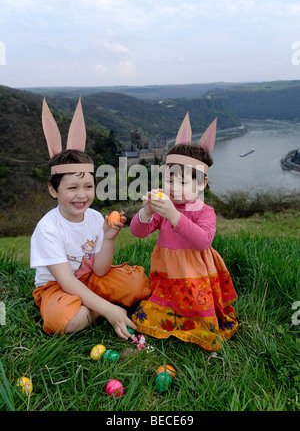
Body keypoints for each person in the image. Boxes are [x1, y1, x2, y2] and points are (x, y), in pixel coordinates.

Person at [30, 98, 150, 338]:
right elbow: (67, 282)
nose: (81, 195)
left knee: (138, 285)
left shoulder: (94, 217)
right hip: (56, 287)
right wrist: (107, 309)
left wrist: (108, 238)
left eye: (88, 186)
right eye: (72, 188)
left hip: (90, 278)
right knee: (65, 320)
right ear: (53, 190)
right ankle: (94, 310)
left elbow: (101, 270)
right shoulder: (48, 229)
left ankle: (91, 305)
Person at [130, 114, 238, 351]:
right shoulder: (164, 206)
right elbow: (138, 232)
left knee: (199, 314)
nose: (173, 188)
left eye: (182, 182)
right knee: (147, 314)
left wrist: (173, 215)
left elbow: (202, 242)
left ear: (201, 184)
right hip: (168, 274)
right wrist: (146, 211)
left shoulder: (204, 211)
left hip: (194, 274)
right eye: (169, 180)